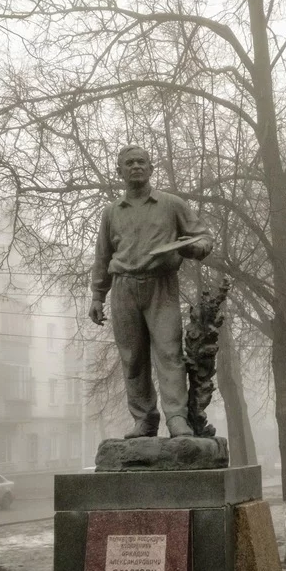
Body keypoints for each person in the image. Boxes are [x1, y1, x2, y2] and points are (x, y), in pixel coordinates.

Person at [88, 145, 213, 438]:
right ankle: (144, 419)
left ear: (151, 168)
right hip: (124, 288)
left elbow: (203, 236)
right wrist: (97, 296)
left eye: (141, 162)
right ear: (119, 171)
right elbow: (102, 257)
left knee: (169, 353)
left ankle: (177, 418)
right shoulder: (111, 212)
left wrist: (197, 248)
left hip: (161, 286)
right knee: (132, 358)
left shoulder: (171, 204)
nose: (135, 167)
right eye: (129, 163)